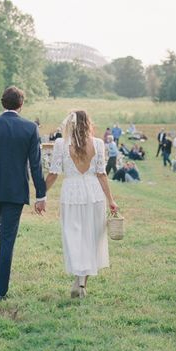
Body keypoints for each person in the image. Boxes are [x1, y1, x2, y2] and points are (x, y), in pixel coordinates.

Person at [0, 86, 46, 301]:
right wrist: (41, 195)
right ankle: (0, 292)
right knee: (7, 239)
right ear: (21, 105)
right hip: (16, 191)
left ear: (2, 102)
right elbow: (36, 164)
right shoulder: (30, 128)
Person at [45, 110, 118, 299]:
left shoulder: (61, 144)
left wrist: (41, 194)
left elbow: (53, 174)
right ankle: (81, 282)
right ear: (88, 124)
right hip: (94, 193)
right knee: (91, 237)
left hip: (71, 193)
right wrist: (111, 200)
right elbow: (102, 174)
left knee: (73, 237)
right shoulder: (98, 143)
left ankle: (79, 281)